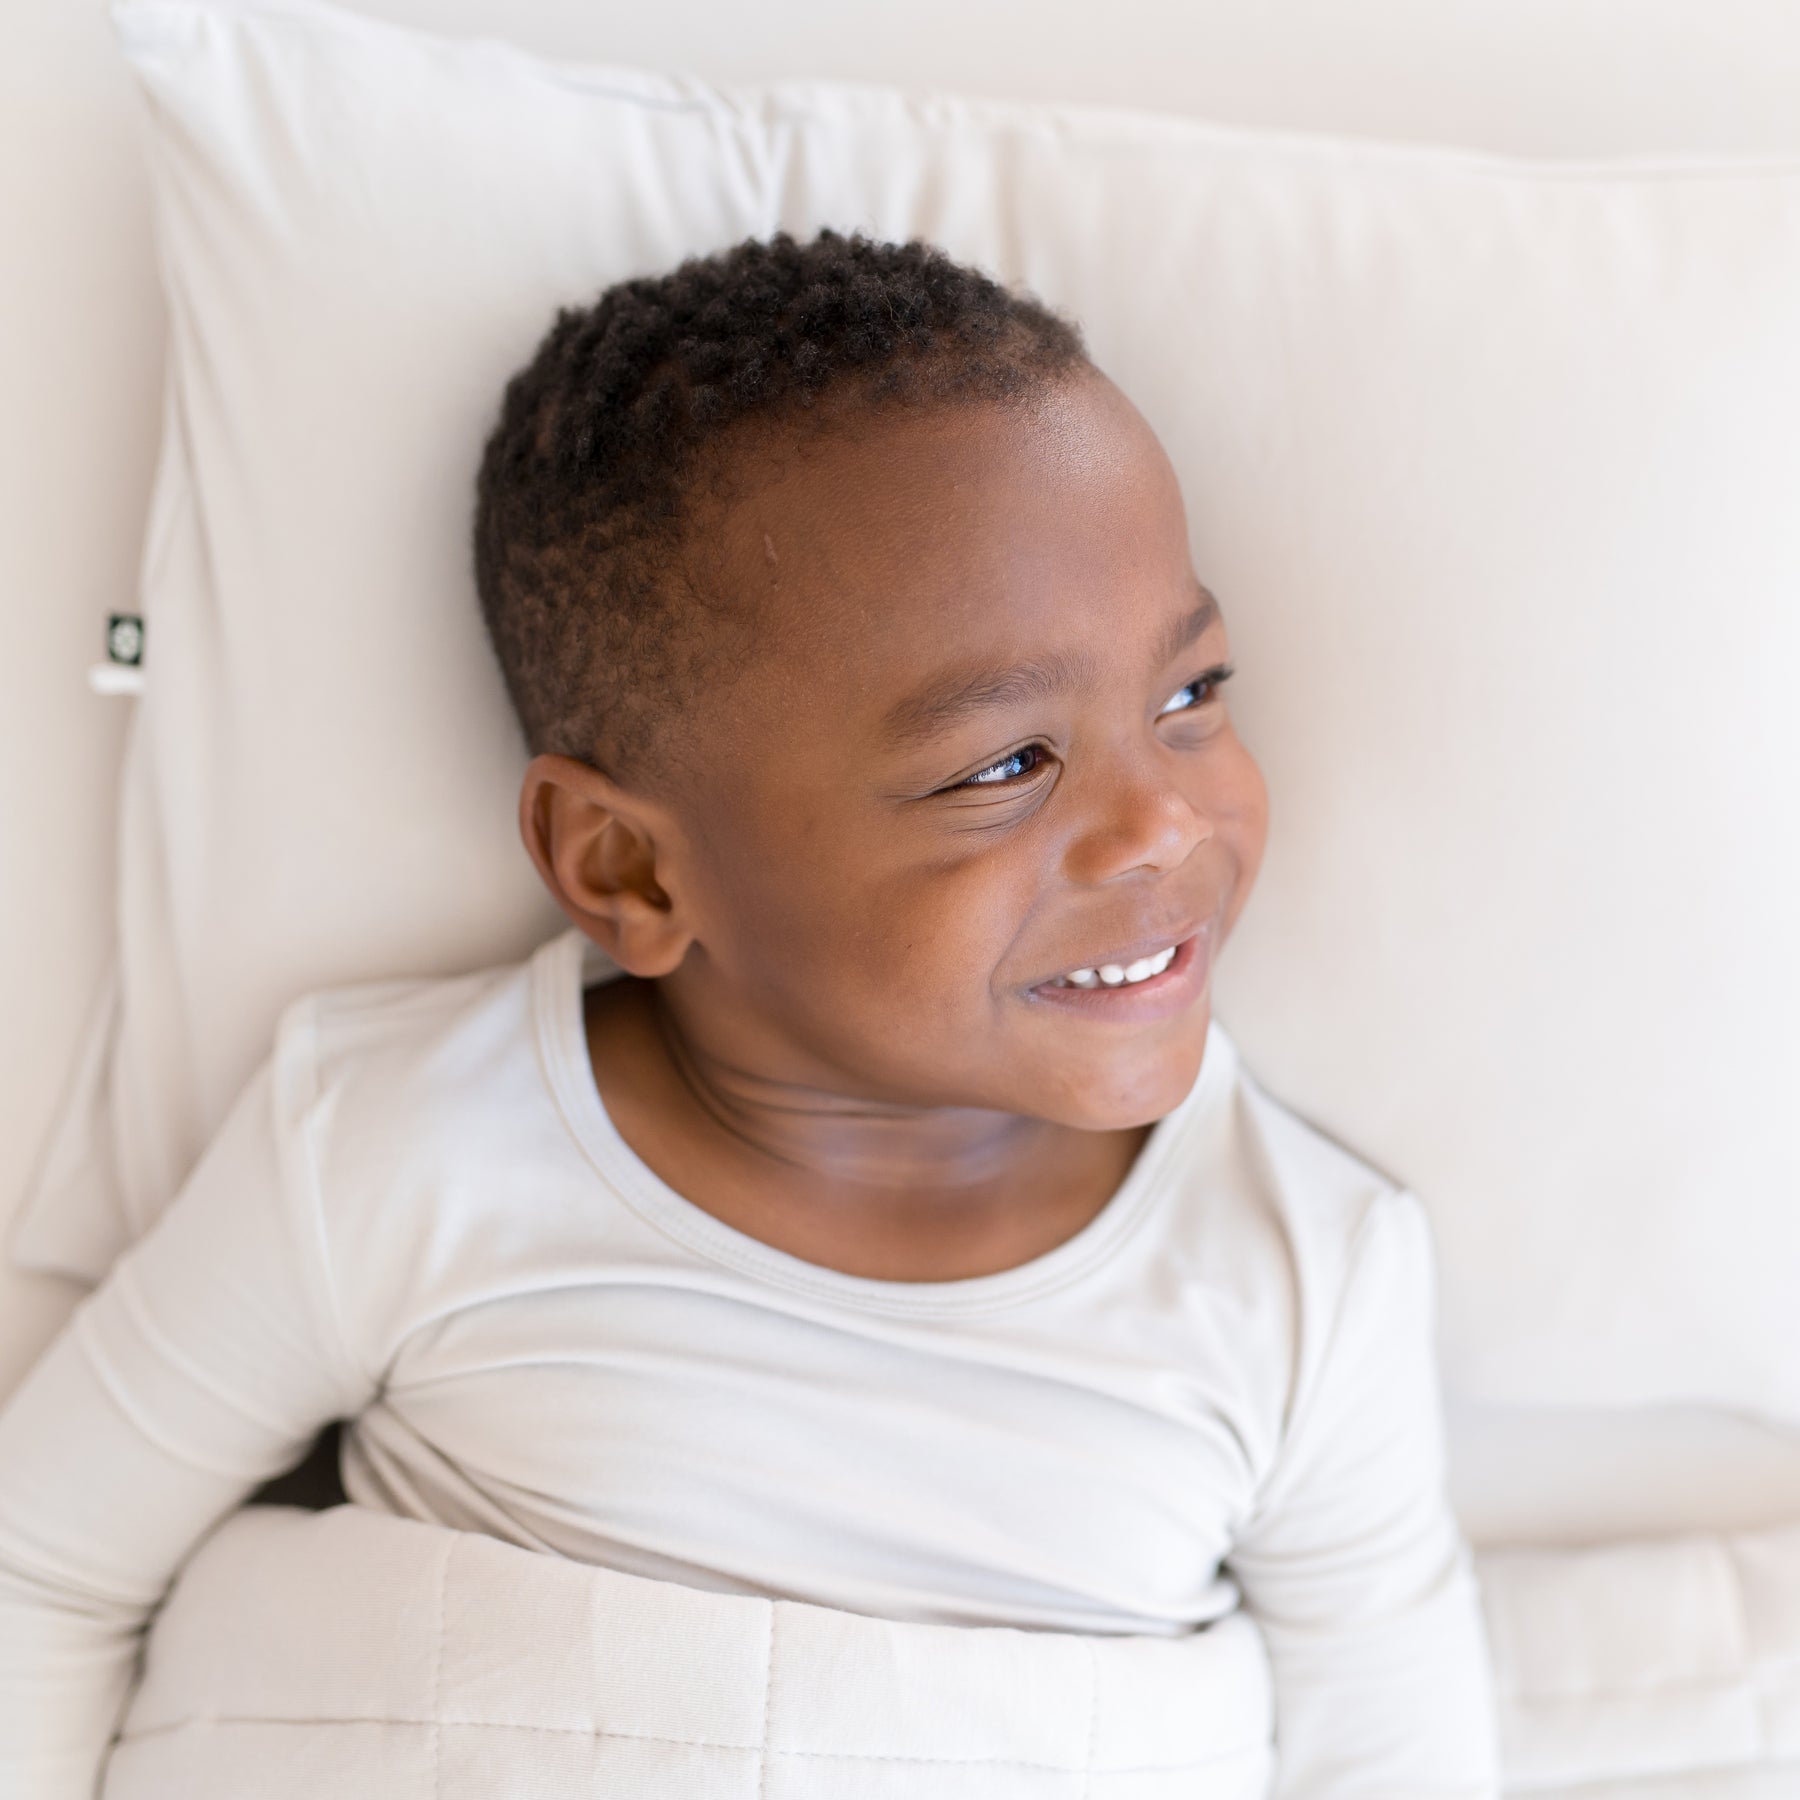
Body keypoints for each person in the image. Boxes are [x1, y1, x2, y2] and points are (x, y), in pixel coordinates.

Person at [0, 229, 1499, 1795]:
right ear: (631, 868)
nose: (1162, 827)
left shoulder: (1302, 1282)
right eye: (1003, 764)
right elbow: (41, 1572)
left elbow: (1394, 1757)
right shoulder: (388, 1150)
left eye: (1188, 695)